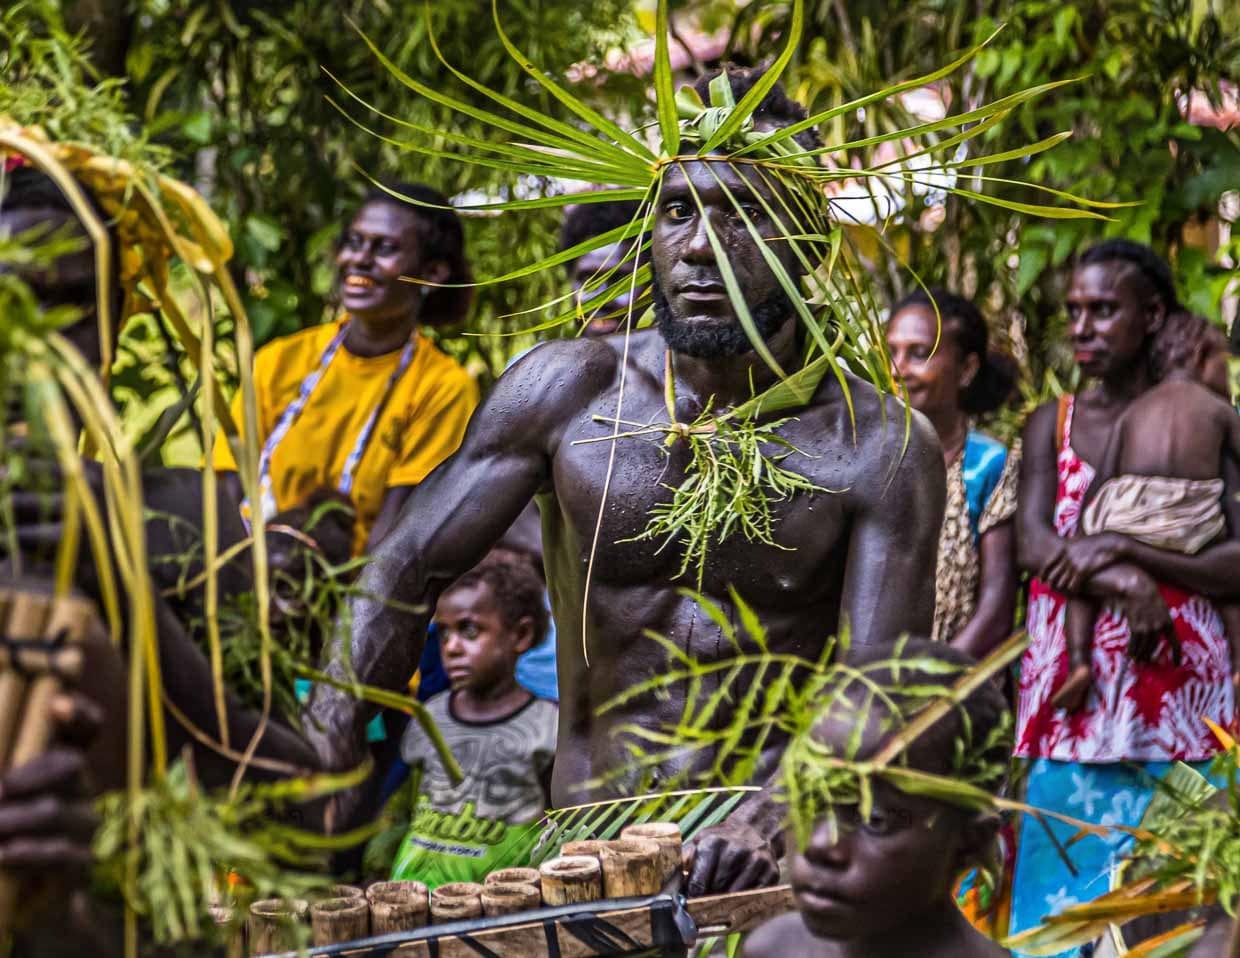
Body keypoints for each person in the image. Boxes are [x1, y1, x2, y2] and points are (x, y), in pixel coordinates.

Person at [307, 65, 946, 897]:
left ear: (810, 243)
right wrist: (328, 733)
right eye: (679, 210)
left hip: (766, 850)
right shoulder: (566, 391)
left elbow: (877, 683)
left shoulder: (879, 447)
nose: (699, 248)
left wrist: (768, 817)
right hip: (586, 838)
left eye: (743, 214)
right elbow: (403, 564)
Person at [1009, 240, 1240, 956]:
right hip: (1074, 714)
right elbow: (1036, 548)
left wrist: (1139, 558)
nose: (1082, 327)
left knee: (1179, 924)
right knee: (1055, 928)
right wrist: (1129, 586)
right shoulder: (1053, 422)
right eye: (1074, 311)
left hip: (1187, 714)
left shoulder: (1199, 419)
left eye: (1104, 311)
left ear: (1152, 314)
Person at [213, 181, 480, 556]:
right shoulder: (280, 361)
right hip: (247, 569)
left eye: (384, 248)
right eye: (354, 243)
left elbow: (398, 534)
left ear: (433, 272)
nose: (359, 259)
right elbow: (225, 486)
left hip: (353, 592)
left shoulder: (442, 388)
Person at [742, 639, 1010, 958]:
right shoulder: (775, 950)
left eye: (874, 819)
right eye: (809, 803)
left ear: (970, 843)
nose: (820, 846)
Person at [1055, 311, 1240, 711]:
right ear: (1202, 354)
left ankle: (1079, 663)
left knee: (1082, 579)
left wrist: (1096, 536)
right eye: (1225, 362)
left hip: (1124, 515)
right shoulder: (1219, 409)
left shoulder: (1132, 412)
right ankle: (1239, 666)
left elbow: (1104, 480)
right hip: (1188, 520)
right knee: (1233, 589)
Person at [371, 550, 557, 887]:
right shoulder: (430, 716)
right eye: (443, 633)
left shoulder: (546, 726)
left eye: (469, 631)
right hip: (412, 899)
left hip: (501, 908)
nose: (452, 647)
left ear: (521, 635)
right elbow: (405, 811)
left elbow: (558, 825)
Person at [886, 288, 1021, 655]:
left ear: (966, 369)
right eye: (892, 352)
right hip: (870, 685)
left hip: (959, 686)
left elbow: (996, 608)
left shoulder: (989, 464)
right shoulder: (871, 456)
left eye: (919, 354)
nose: (901, 369)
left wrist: (936, 687)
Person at [560, 195, 649, 336]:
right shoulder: (535, 358)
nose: (602, 300)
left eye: (621, 283)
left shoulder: (679, 358)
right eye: (588, 281)